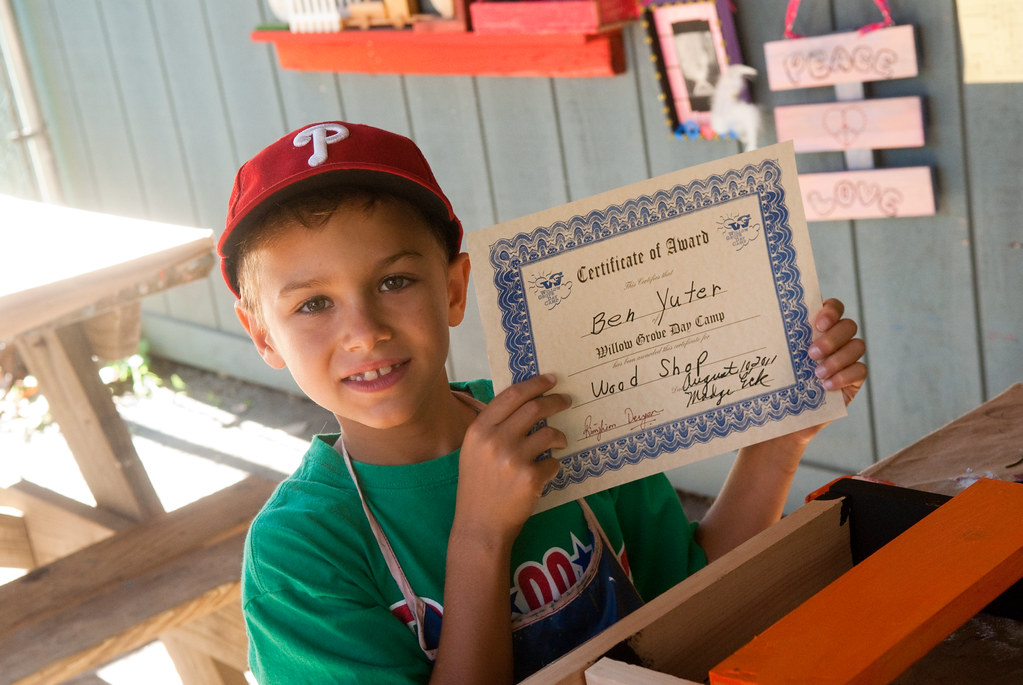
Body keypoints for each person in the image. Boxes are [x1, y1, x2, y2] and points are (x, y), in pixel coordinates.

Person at [218, 121, 867, 684]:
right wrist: (478, 531)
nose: (363, 330)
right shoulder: (296, 557)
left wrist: (778, 441)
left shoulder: (564, 414)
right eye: (312, 304)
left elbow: (689, 597)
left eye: (395, 280)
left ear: (452, 286)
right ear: (260, 334)